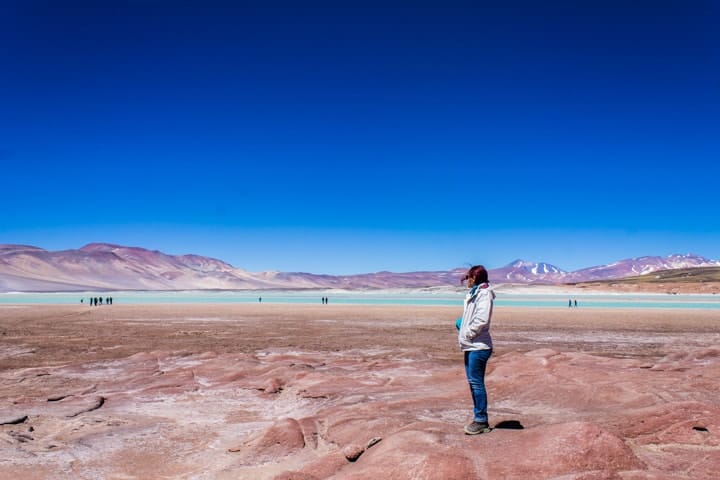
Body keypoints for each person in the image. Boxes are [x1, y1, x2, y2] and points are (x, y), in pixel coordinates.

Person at [455, 265, 494, 435]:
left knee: (477, 383)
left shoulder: (484, 294)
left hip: (478, 345)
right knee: (473, 382)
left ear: (475, 278)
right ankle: (479, 418)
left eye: (469, 278)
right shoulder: (475, 293)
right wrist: (462, 324)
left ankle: (481, 420)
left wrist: (468, 332)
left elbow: (481, 319)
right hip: (471, 345)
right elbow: (472, 316)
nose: (467, 281)